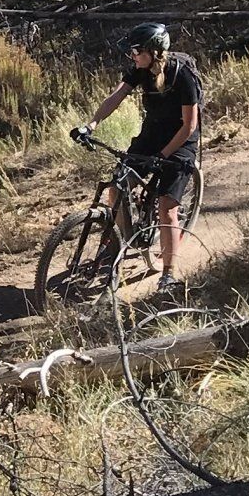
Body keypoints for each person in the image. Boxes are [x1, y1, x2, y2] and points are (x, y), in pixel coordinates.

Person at [80, 21, 203, 297]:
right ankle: (122, 242)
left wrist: (163, 156)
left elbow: (189, 126)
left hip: (180, 140)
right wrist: (91, 125)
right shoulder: (141, 70)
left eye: (137, 51)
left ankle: (168, 274)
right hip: (152, 134)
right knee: (116, 188)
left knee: (167, 207)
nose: (132, 56)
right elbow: (117, 96)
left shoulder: (182, 75)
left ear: (155, 52)